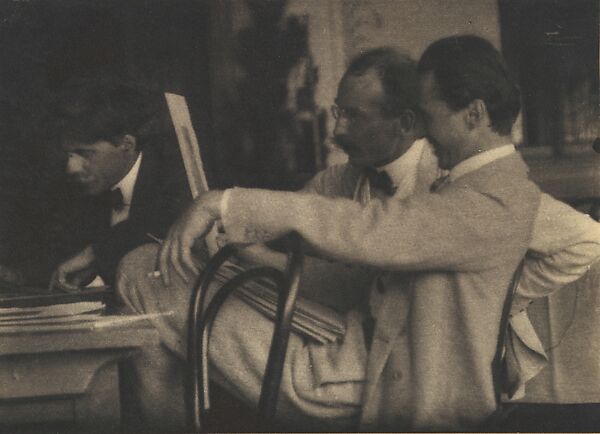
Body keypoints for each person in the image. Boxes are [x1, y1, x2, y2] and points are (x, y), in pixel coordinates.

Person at [117, 40, 600, 431]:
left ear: (473, 115)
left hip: (370, 378)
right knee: (150, 277)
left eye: (429, 122)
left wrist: (224, 201)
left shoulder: (492, 198)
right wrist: (256, 255)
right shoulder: (472, 186)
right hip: (358, 352)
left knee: (144, 277)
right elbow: (368, 270)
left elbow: (373, 230)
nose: (424, 137)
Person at [43, 77, 192, 292]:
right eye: (69, 154)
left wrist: (95, 252)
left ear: (127, 145)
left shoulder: (175, 177)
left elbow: (167, 228)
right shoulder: (77, 191)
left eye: (85, 154)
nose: (71, 168)